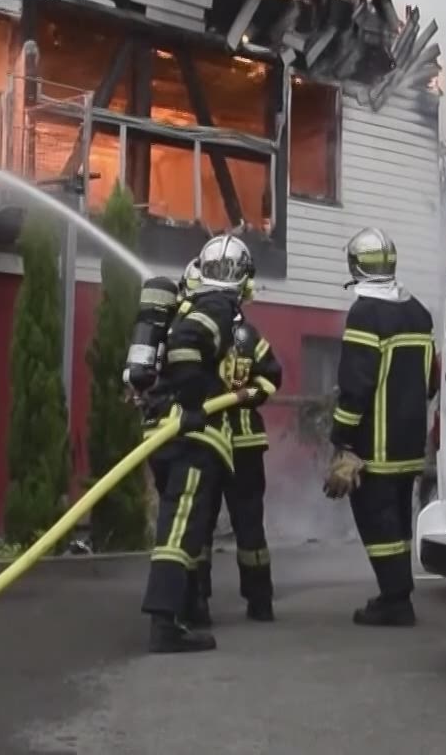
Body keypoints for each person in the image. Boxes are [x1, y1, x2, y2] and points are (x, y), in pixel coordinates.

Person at [138, 235, 251, 653]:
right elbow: (186, 346)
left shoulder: (188, 304)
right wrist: (192, 404)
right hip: (189, 435)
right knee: (179, 527)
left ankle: (182, 611)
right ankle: (164, 624)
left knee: (183, 526)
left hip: (163, 431)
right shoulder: (217, 306)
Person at [323, 227, 437, 627]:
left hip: (375, 444)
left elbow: (356, 385)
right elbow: (430, 379)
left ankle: (395, 600)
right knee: (398, 521)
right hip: (410, 442)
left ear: (356, 266)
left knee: (377, 521)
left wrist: (342, 438)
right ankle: (397, 593)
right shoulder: (418, 312)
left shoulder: (365, 313)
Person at [196, 296, 282, 623]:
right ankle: (208, 601)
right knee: (214, 523)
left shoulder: (241, 337)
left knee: (236, 524)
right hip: (220, 443)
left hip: (229, 443)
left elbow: (270, 379)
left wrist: (247, 394)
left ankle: (253, 601)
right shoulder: (236, 335)